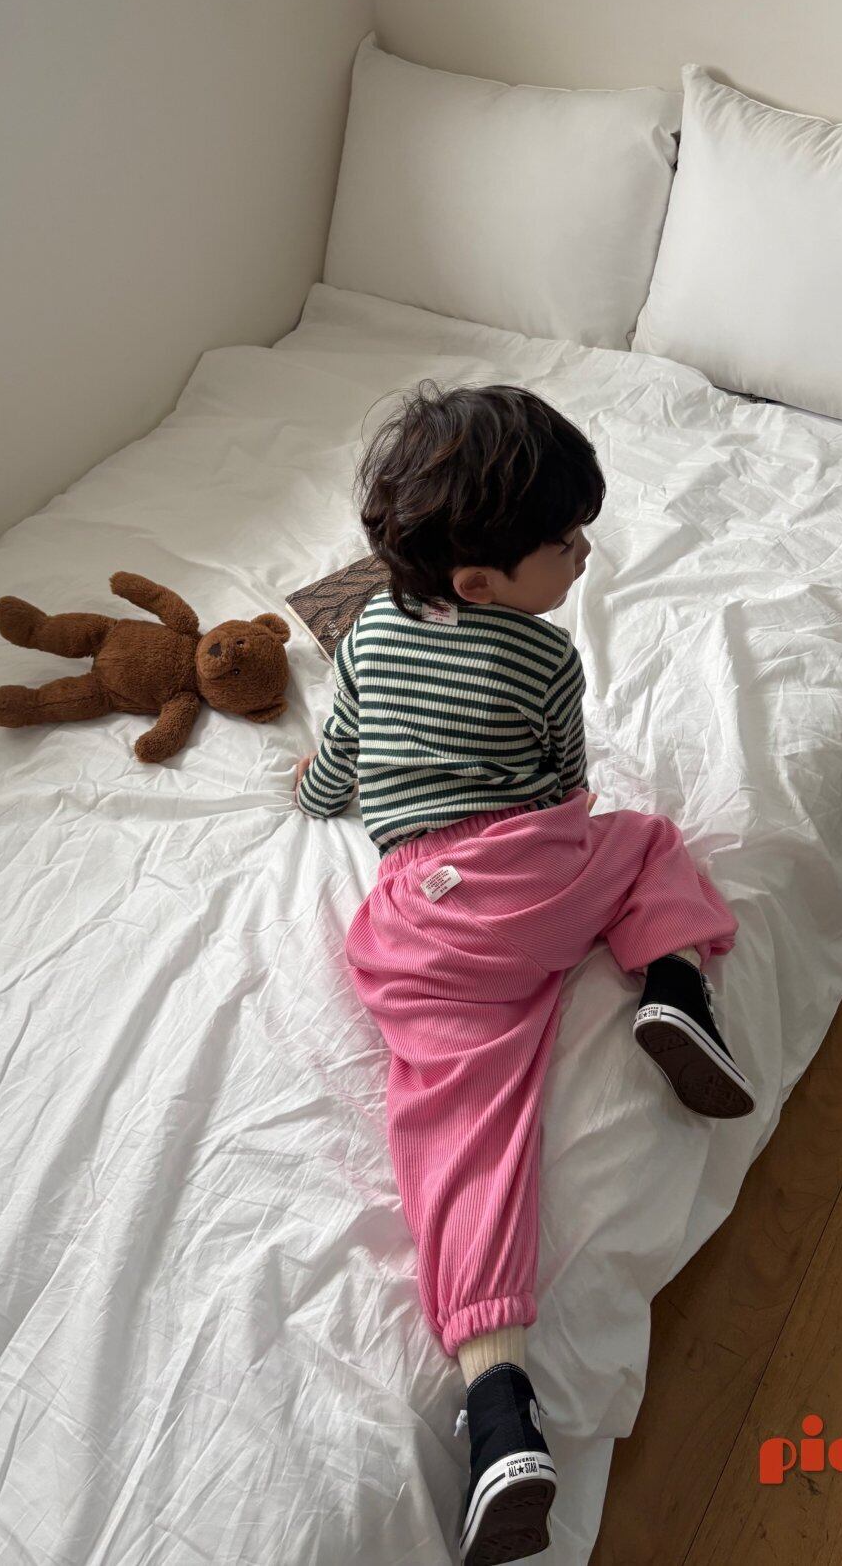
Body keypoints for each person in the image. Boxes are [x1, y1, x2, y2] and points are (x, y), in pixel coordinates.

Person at [296, 383, 752, 1565]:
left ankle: (498, 1408)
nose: (584, 554)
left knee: (460, 1138)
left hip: (422, 922)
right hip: (533, 875)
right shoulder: (544, 655)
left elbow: (337, 763)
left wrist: (310, 794)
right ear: (480, 583)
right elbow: (562, 786)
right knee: (642, 841)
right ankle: (673, 988)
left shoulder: (363, 638)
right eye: (564, 545)